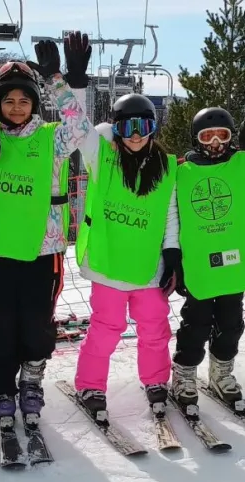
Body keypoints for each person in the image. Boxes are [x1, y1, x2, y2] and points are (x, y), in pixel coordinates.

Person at [0, 33, 92, 431]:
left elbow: (80, 127)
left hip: (43, 251)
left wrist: (58, 78)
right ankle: (1, 386)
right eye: (8, 100)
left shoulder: (50, 138)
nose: (17, 107)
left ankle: (32, 378)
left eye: (24, 100)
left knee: (37, 324)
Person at [167, 78, 245, 413]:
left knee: (231, 324)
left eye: (221, 135)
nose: (214, 142)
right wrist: (174, 260)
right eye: (207, 136)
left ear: (230, 137)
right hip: (199, 266)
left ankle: (222, 372)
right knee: (196, 324)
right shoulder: (181, 173)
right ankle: (184, 374)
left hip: (234, 265)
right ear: (196, 138)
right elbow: (171, 220)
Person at [71, 93, 178, 420]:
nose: (135, 134)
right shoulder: (102, 157)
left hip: (147, 267)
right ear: (116, 128)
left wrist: (172, 253)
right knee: (107, 327)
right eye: (128, 126)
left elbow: (170, 215)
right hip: (108, 264)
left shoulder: (165, 166)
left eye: (143, 126)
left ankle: (156, 380)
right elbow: (77, 128)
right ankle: (90, 385)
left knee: (155, 327)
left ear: (153, 128)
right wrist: (70, 84)